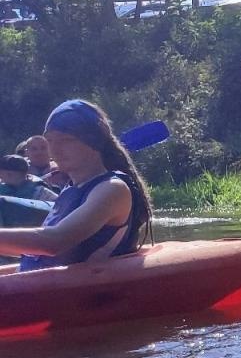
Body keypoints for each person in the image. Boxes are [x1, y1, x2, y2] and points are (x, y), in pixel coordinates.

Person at [0, 100, 153, 270]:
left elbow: (54, 242)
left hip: (81, 294)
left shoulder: (112, 189)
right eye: (50, 141)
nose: (55, 150)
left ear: (94, 142)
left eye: (66, 140)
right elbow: (38, 251)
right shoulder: (70, 188)